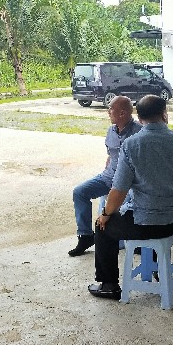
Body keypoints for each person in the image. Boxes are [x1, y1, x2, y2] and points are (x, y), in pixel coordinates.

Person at [88, 95, 173, 299]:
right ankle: (159, 269)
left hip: (146, 222)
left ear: (139, 118)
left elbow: (118, 190)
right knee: (136, 220)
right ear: (165, 115)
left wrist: (105, 214)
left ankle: (109, 284)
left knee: (102, 226)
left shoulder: (131, 145)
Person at [69, 96, 142, 257]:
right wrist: (107, 171)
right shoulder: (111, 130)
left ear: (122, 113)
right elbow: (111, 155)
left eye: (111, 109)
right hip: (108, 177)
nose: (108, 111)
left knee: (118, 209)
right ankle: (85, 236)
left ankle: (133, 240)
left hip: (128, 182)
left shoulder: (139, 132)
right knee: (80, 192)